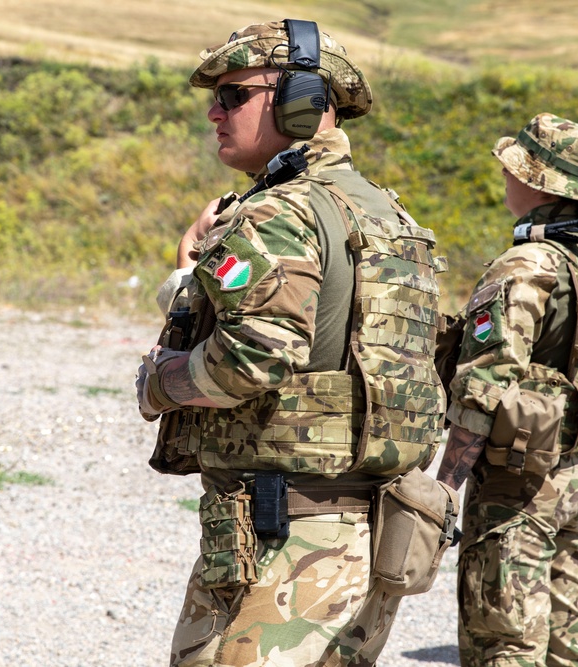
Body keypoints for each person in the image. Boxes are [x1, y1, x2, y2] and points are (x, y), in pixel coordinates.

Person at [135, 19, 448, 667]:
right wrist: (191, 270)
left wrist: (160, 381)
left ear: (300, 99)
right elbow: (320, 333)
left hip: (289, 536)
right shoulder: (385, 213)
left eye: (234, 94)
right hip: (364, 530)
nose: (215, 113)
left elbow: (256, 357)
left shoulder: (280, 212)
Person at [435, 113, 578, 667]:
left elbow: (484, 388)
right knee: (567, 636)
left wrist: (444, 487)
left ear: (534, 181)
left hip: (521, 481)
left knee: (504, 640)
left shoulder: (527, 263)